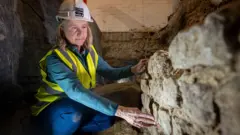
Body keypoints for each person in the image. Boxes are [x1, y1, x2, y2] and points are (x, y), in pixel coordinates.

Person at [31, 0, 157, 134]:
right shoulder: (54, 59)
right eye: (74, 27)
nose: (80, 33)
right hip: (53, 109)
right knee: (73, 113)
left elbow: (110, 72)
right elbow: (75, 91)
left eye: (84, 26)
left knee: (108, 117)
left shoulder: (90, 53)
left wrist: (132, 70)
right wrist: (121, 111)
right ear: (62, 29)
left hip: (79, 103)